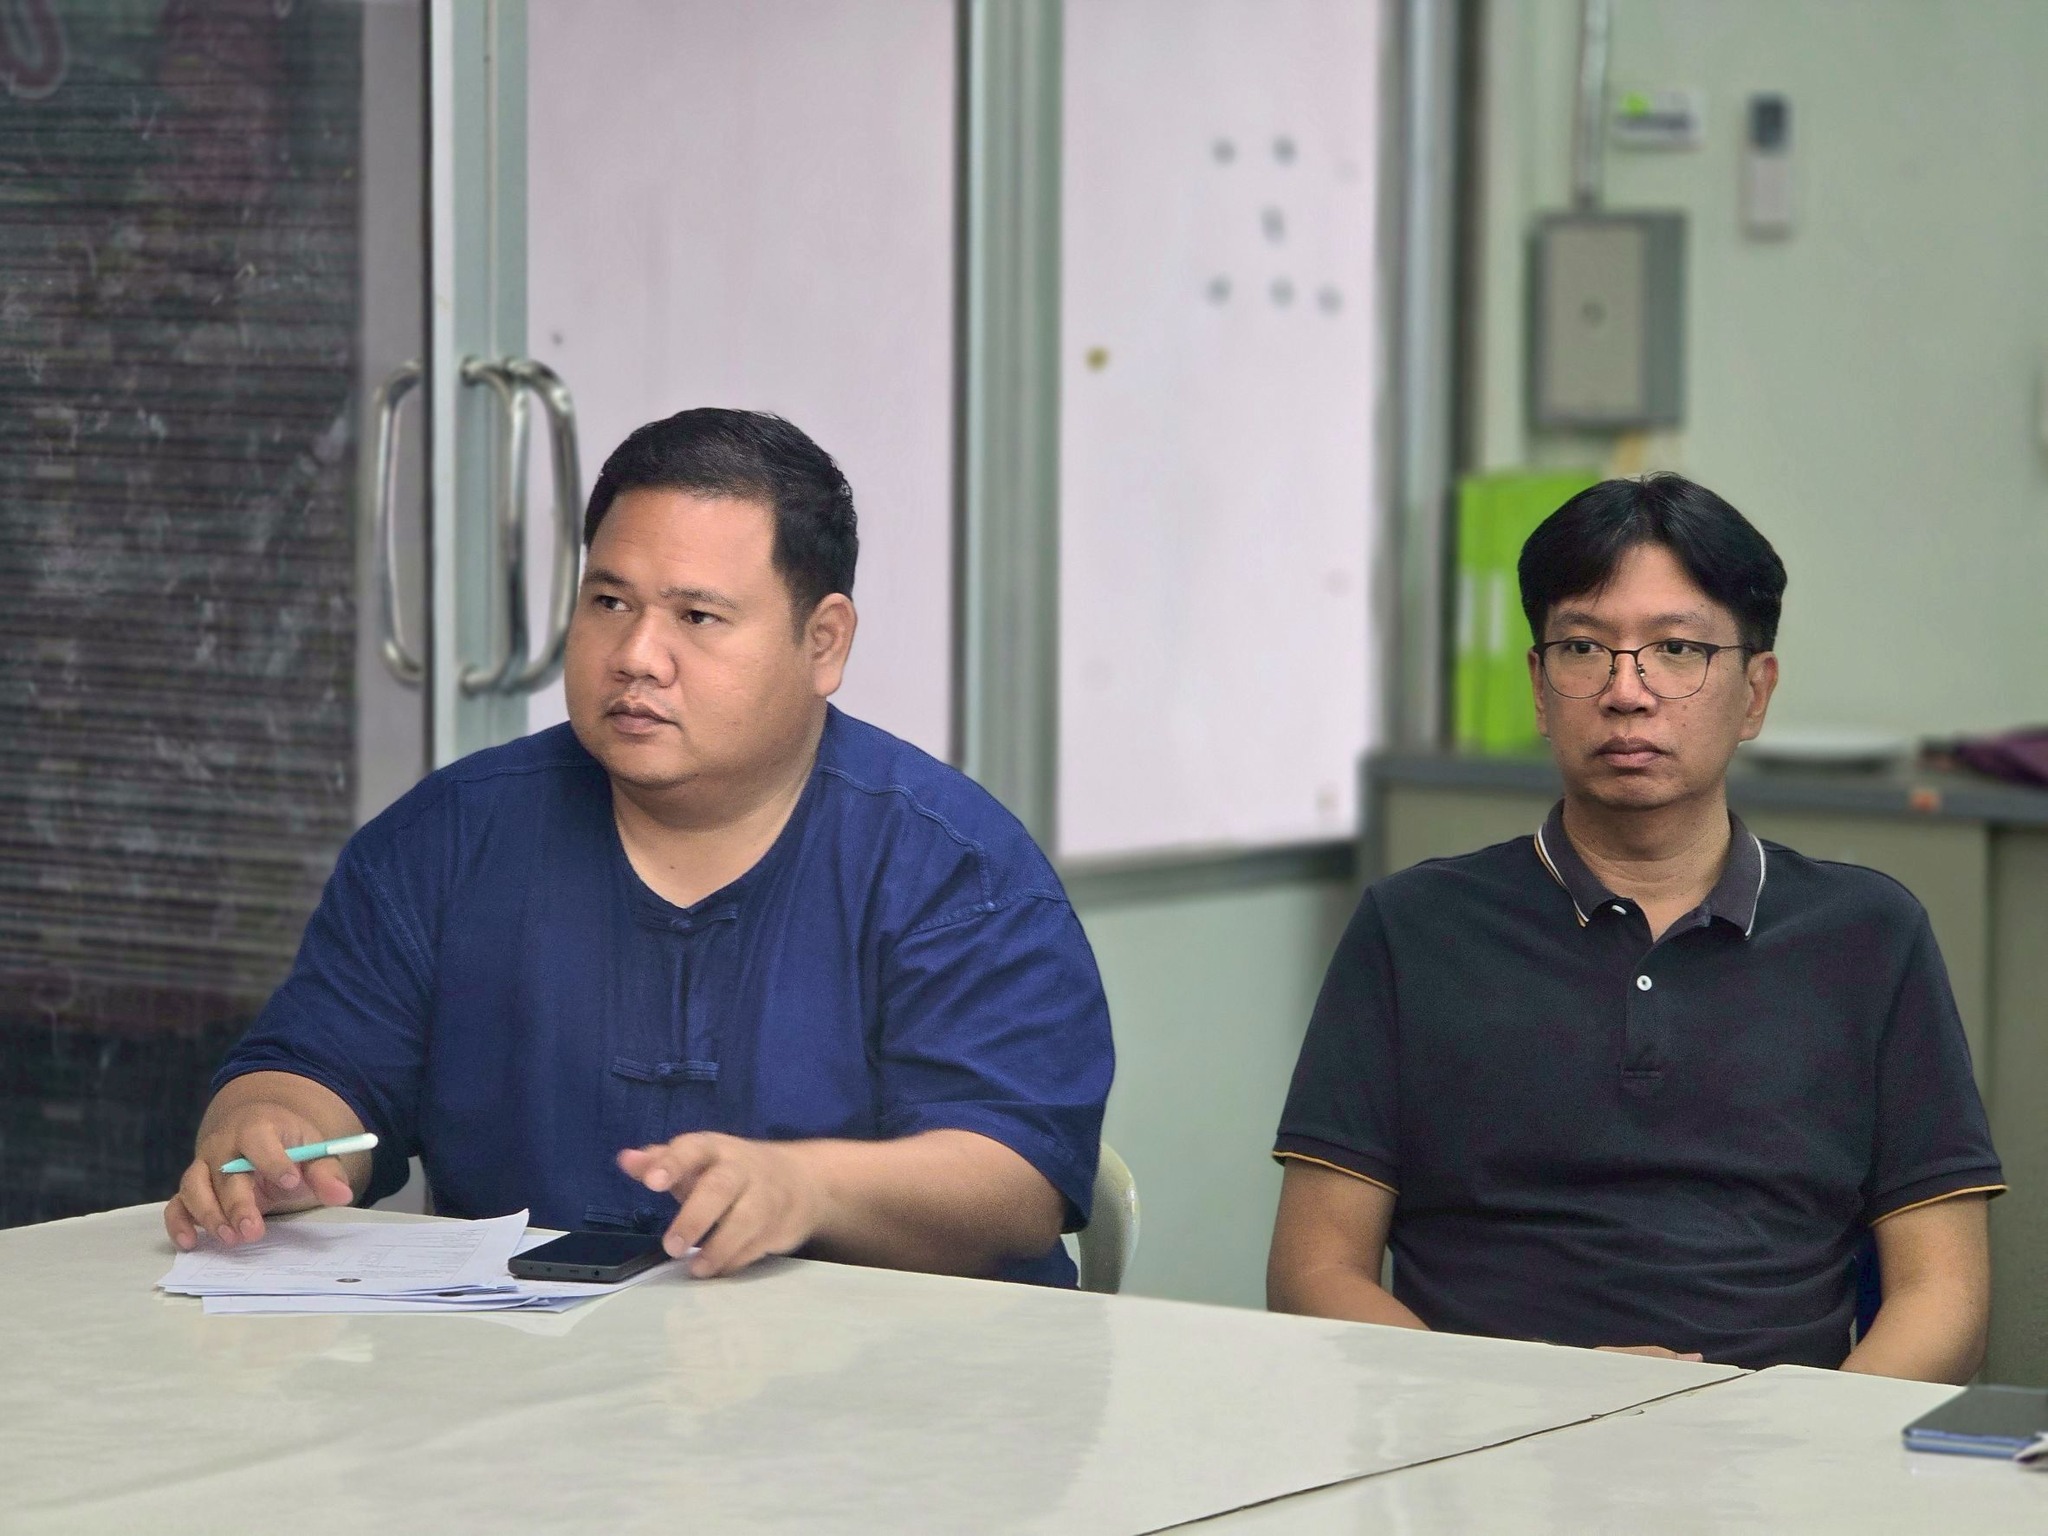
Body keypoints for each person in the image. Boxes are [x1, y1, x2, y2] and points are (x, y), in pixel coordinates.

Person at [164, 408, 1114, 1285]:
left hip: (884, 1387)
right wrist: (267, 1131)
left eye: (697, 618)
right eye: (610, 603)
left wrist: (809, 1189)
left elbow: (1017, 1181)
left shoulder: (952, 869)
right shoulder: (448, 837)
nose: (635, 656)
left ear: (823, 642)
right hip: (530, 1383)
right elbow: (319, 1069)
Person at [1266, 474, 2001, 1380]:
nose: (1627, 691)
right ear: (1540, 689)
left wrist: (1804, 1439)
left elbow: (1945, 1294)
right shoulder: (1413, 926)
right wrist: (1528, 1401)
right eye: (1583, 647)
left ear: (1755, 692)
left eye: (1677, 650)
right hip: (1481, 1436)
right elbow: (1314, 1271)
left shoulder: (1870, 936)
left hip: (1773, 1445)